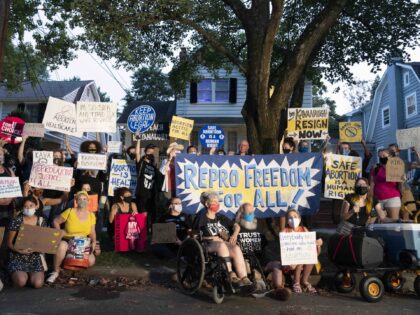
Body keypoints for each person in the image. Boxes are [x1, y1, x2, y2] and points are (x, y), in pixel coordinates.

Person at [193, 191, 252, 286]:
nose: (217, 204)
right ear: (207, 204)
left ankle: (244, 278)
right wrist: (212, 237)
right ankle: (230, 275)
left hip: (222, 243)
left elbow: (236, 226)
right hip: (207, 244)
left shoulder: (220, 216)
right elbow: (194, 235)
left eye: (218, 202)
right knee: (222, 246)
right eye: (214, 202)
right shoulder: (201, 217)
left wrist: (234, 234)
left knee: (235, 248)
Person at [47, 191, 98, 283]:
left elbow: (92, 231)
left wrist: (94, 241)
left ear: (88, 201)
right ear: (76, 201)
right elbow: (55, 221)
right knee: (61, 246)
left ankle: (70, 264)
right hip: (68, 240)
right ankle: (56, 270)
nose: (82, 201)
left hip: (82, 243)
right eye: (80, 199)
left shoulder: (91, 215)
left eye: (84, 199)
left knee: (91, 261)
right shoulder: (69, 211)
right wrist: (59, 232)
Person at [269, 209, 321, 294]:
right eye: (290, 218)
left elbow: (311, 248)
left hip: (302, 260)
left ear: (299, 219)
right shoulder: (284, 232)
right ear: (286, 220)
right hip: (288, 262)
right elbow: (284, 251)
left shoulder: (304, 229)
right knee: (300, 257)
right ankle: (296, 282)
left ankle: (304, 281)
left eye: (295, 217)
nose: (293, 219)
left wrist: (317, 244)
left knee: (309, 257)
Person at [6, 196, 47, 288]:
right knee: (20, 282)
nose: (28, 208)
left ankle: (29, 276)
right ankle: (15, 274)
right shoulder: (17, 220)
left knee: (38, 284)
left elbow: (44, 240)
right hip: (17, 256)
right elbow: (9, 243)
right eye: (25, 206)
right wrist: (19, 250)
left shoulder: (41, 221)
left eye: (31, 205)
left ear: (36, 206)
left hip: (34, 257)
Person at [135, 137, 161, 226]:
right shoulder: (141, 164)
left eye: (152, 153)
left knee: (153, 214)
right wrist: (138, 140)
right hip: (142, 193)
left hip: (152, 194)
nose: (150, 154)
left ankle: (152, 233)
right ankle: (143, 232)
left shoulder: (154, 166)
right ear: (145, 152)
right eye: (149, 152)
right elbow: (137, 153)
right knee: (143, 214)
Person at [370, 149, 402, 219]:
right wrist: (371, 197)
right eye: (380, 156)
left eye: (384, 155)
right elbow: (372, 183)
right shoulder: (376, 168)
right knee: (375, 221)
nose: (382, 157)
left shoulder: (396, 167)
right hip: (377, 199)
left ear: (390, 156)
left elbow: (400, 184)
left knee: (393, 221)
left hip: (392, 198)